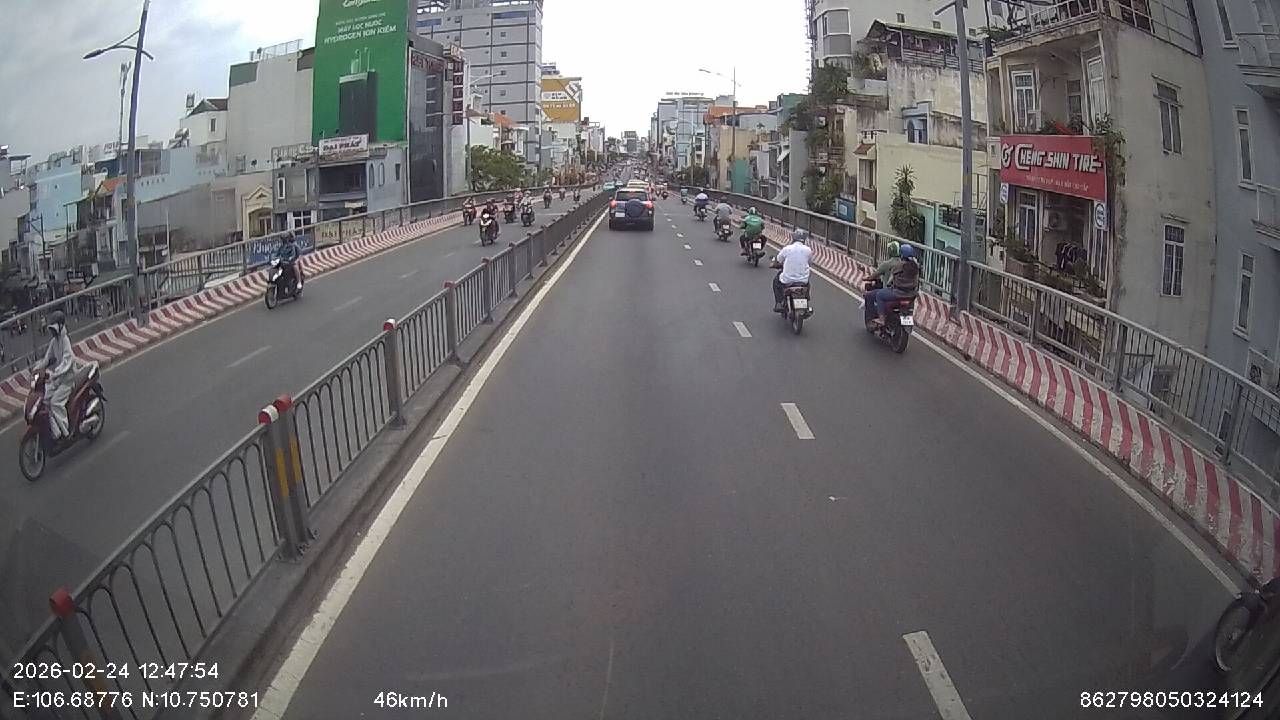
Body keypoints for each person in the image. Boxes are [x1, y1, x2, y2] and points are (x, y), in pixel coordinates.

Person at [40, 310, 80, 440]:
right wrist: (37, 368)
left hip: (67, 380)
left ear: (61, 326)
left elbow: (67, 361)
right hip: (57, 379)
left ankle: (66, 432)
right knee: (44, 400)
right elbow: (47, 358)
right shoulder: (54, 341)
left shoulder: (65, 341)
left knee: (55, 403)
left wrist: (56, 373)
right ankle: (55, 431)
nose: (52, 331)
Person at [865, 243, 921, 327]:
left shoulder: (898, 266)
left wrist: (889, 285)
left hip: (898, 293)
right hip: (911, 295)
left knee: (879, 295)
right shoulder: (916, 267)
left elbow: (891, 280)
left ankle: (881, 319)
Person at [773, 229, 813, 313]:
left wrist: (774, 264)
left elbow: (778, 260)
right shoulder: (808, 250)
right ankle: (806, 299)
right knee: (808, 284)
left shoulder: (787, 249)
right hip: (803, 280)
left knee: (776, 281)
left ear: (793, 238)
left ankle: (779, 302)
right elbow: (810, 263)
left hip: (788, 280)